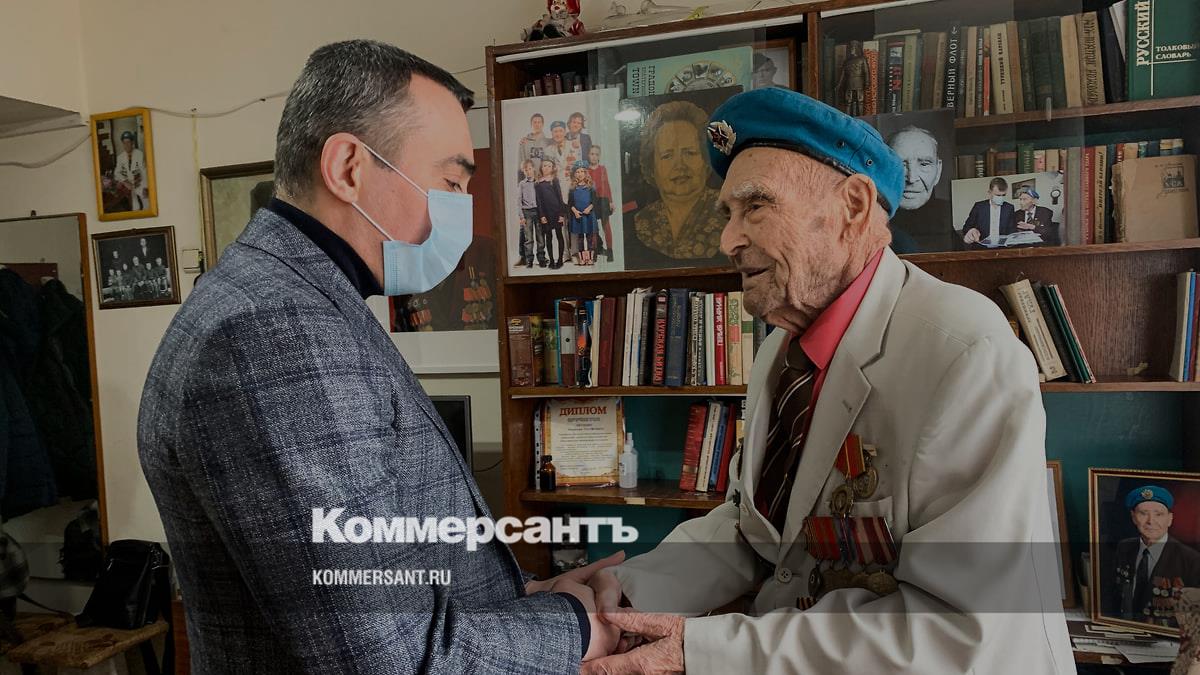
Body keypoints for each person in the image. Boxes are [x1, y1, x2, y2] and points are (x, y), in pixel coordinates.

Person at [138, 40, 620, 674]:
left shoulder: (297, 297)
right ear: (348, 168)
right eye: (450, 182)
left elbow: (388, 577)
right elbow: (385, 655)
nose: (461, 210)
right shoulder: (275, 331)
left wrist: (523, 601)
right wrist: (574, 627)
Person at [582, 87, 1073, 674]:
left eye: (755, 206)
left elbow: (958, 631)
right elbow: (755, 529)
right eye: (727, 214)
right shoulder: (780, 350)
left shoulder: (965, 350)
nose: (728, 240)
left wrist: (704, 650)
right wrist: (626, 598)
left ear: (854, 207)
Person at [629, 100, 725, 269]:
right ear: (652, 167)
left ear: (706, 160)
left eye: (690, 153)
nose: (680, 165)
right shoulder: (642, 221)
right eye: (667, 156)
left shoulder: (728, 212)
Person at [1105, 486, 1200, 628]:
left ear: (1170, 519)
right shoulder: (1124, 547)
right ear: (1133, 517)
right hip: (1125, 629)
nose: (1151, 521)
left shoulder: (1191, 559)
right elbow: (1114, 594)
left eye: (1159, 514)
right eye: (1143, 513)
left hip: (1167, 635)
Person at [886, 125, 953, 253]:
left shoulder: (950, 215)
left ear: (938, 171)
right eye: (899, 164)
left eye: (924, 164)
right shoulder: (867, 219)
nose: (911, 178)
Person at [962, 176, 1016, 247]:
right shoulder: (979, 207)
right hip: (981, 248)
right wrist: (971, 231)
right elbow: (966, 227)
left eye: (1003, 195)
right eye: (998, 195)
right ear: (989, 193)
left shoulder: (1009, 208)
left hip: (1002, 248)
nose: (1001, 198)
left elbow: (1012, 231)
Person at [535, 157, 568, 269]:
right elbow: (539, 201)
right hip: (546, 214)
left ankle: (560, 260)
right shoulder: (538, 183)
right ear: (541, 167)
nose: (546, 168)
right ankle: (552, 261)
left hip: (556, 212)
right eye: (544, 166)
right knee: (548, 237)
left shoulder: (554, 180)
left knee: (559, 235)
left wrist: (561, 214)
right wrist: (542, 215)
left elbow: (560, 197)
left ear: (553, 168)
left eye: (549, 166)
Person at [517, 159, 547, 268]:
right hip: (527, 213)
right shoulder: (522, 184)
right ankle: (529, 260)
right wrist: (521, 216)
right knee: (528, 238)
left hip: (538, 212)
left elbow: (543, 199)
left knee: (540, 237)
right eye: (526, 170)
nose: (528, 171)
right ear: (523, 171)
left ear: (533, 169)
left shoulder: (538, 182)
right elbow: (519, 201)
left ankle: (541, 258)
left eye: (530, 169)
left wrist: (544, 214)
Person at [587, 145, 615, 263]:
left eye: (596, 154)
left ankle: (610, 251)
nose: (594, 157)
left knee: (606, 225)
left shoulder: (602, 169)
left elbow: (607, 185)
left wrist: (611, 201)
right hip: (591, 201)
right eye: (592, 154)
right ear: (588, 155)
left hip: (603, 200)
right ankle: (594, 251)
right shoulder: (586, 170)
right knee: (593, 227)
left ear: (599, 156)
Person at [568, 160, 598, 266]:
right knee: (580, 238)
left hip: (589, 215)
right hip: (578, 216)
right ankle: (581, 259)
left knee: (590, 237)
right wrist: (575, 212)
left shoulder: (591, 187)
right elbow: (570, 203)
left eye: (582, 171)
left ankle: (590, 258)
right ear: (575, 174)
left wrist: (589, 208)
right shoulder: (573, 188)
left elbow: (595, 201)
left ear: (586, 173)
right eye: (577, 172)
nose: (580, 174)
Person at [113, 130, 149, 211]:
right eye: (124, 143)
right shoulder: (120, 157)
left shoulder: (139, 154)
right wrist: (125, 181)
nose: (126, 145)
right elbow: (116, 172)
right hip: (129, 186)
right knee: (135, 208)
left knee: (147, 206)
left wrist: (145, 187)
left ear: (132, 143)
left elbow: (144, 171)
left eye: (128, 142)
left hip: (140, 183)